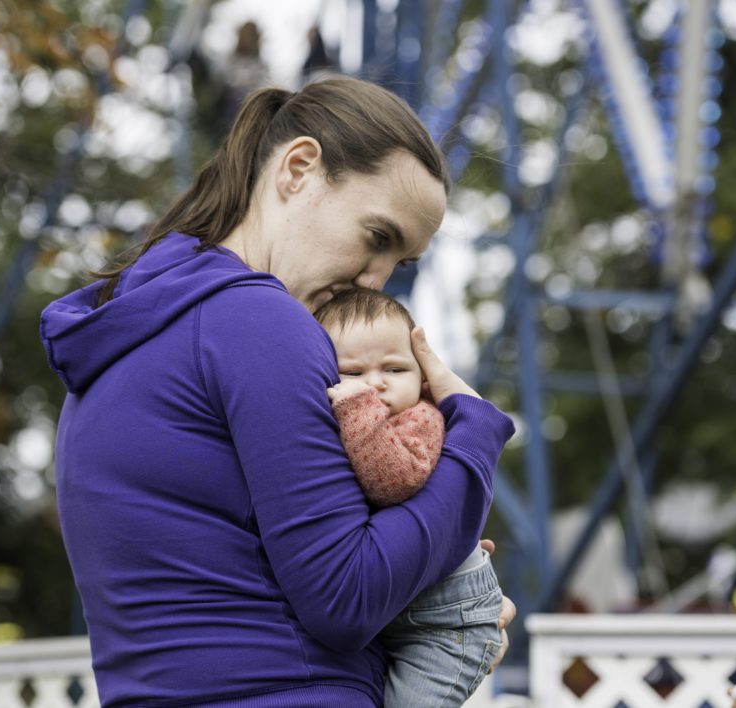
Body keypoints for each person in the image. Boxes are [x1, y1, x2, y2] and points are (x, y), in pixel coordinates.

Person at [40, 76, 516, 707]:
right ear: (299, 169)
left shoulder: (129, 331)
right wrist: (476, 433)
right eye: (378, 237)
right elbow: (348, 597)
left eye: (399, 263)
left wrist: (428, 574)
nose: (376, 283)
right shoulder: (258, 323)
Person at [316, 287, 507, 707]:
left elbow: (394, 481)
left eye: (395, 368)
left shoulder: (420, 418)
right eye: (351, 371)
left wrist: (356, 406)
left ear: (422, 378)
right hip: (393, 617)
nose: (375, 384)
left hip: (446, 626)